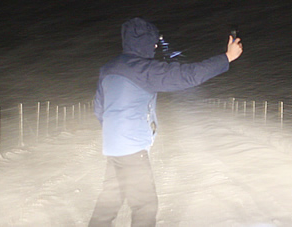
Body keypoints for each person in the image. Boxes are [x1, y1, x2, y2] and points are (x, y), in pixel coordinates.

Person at [89, 17, 243, 227]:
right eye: (153, 42)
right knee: (144, 206)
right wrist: (226, 58)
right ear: (145, 42)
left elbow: (99, 108)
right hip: (132, 148)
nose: (154, 46)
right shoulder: (144, 69)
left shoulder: (108, 69)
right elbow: (189, 75)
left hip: (113, 146)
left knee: (110, 201)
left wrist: (115, 133)